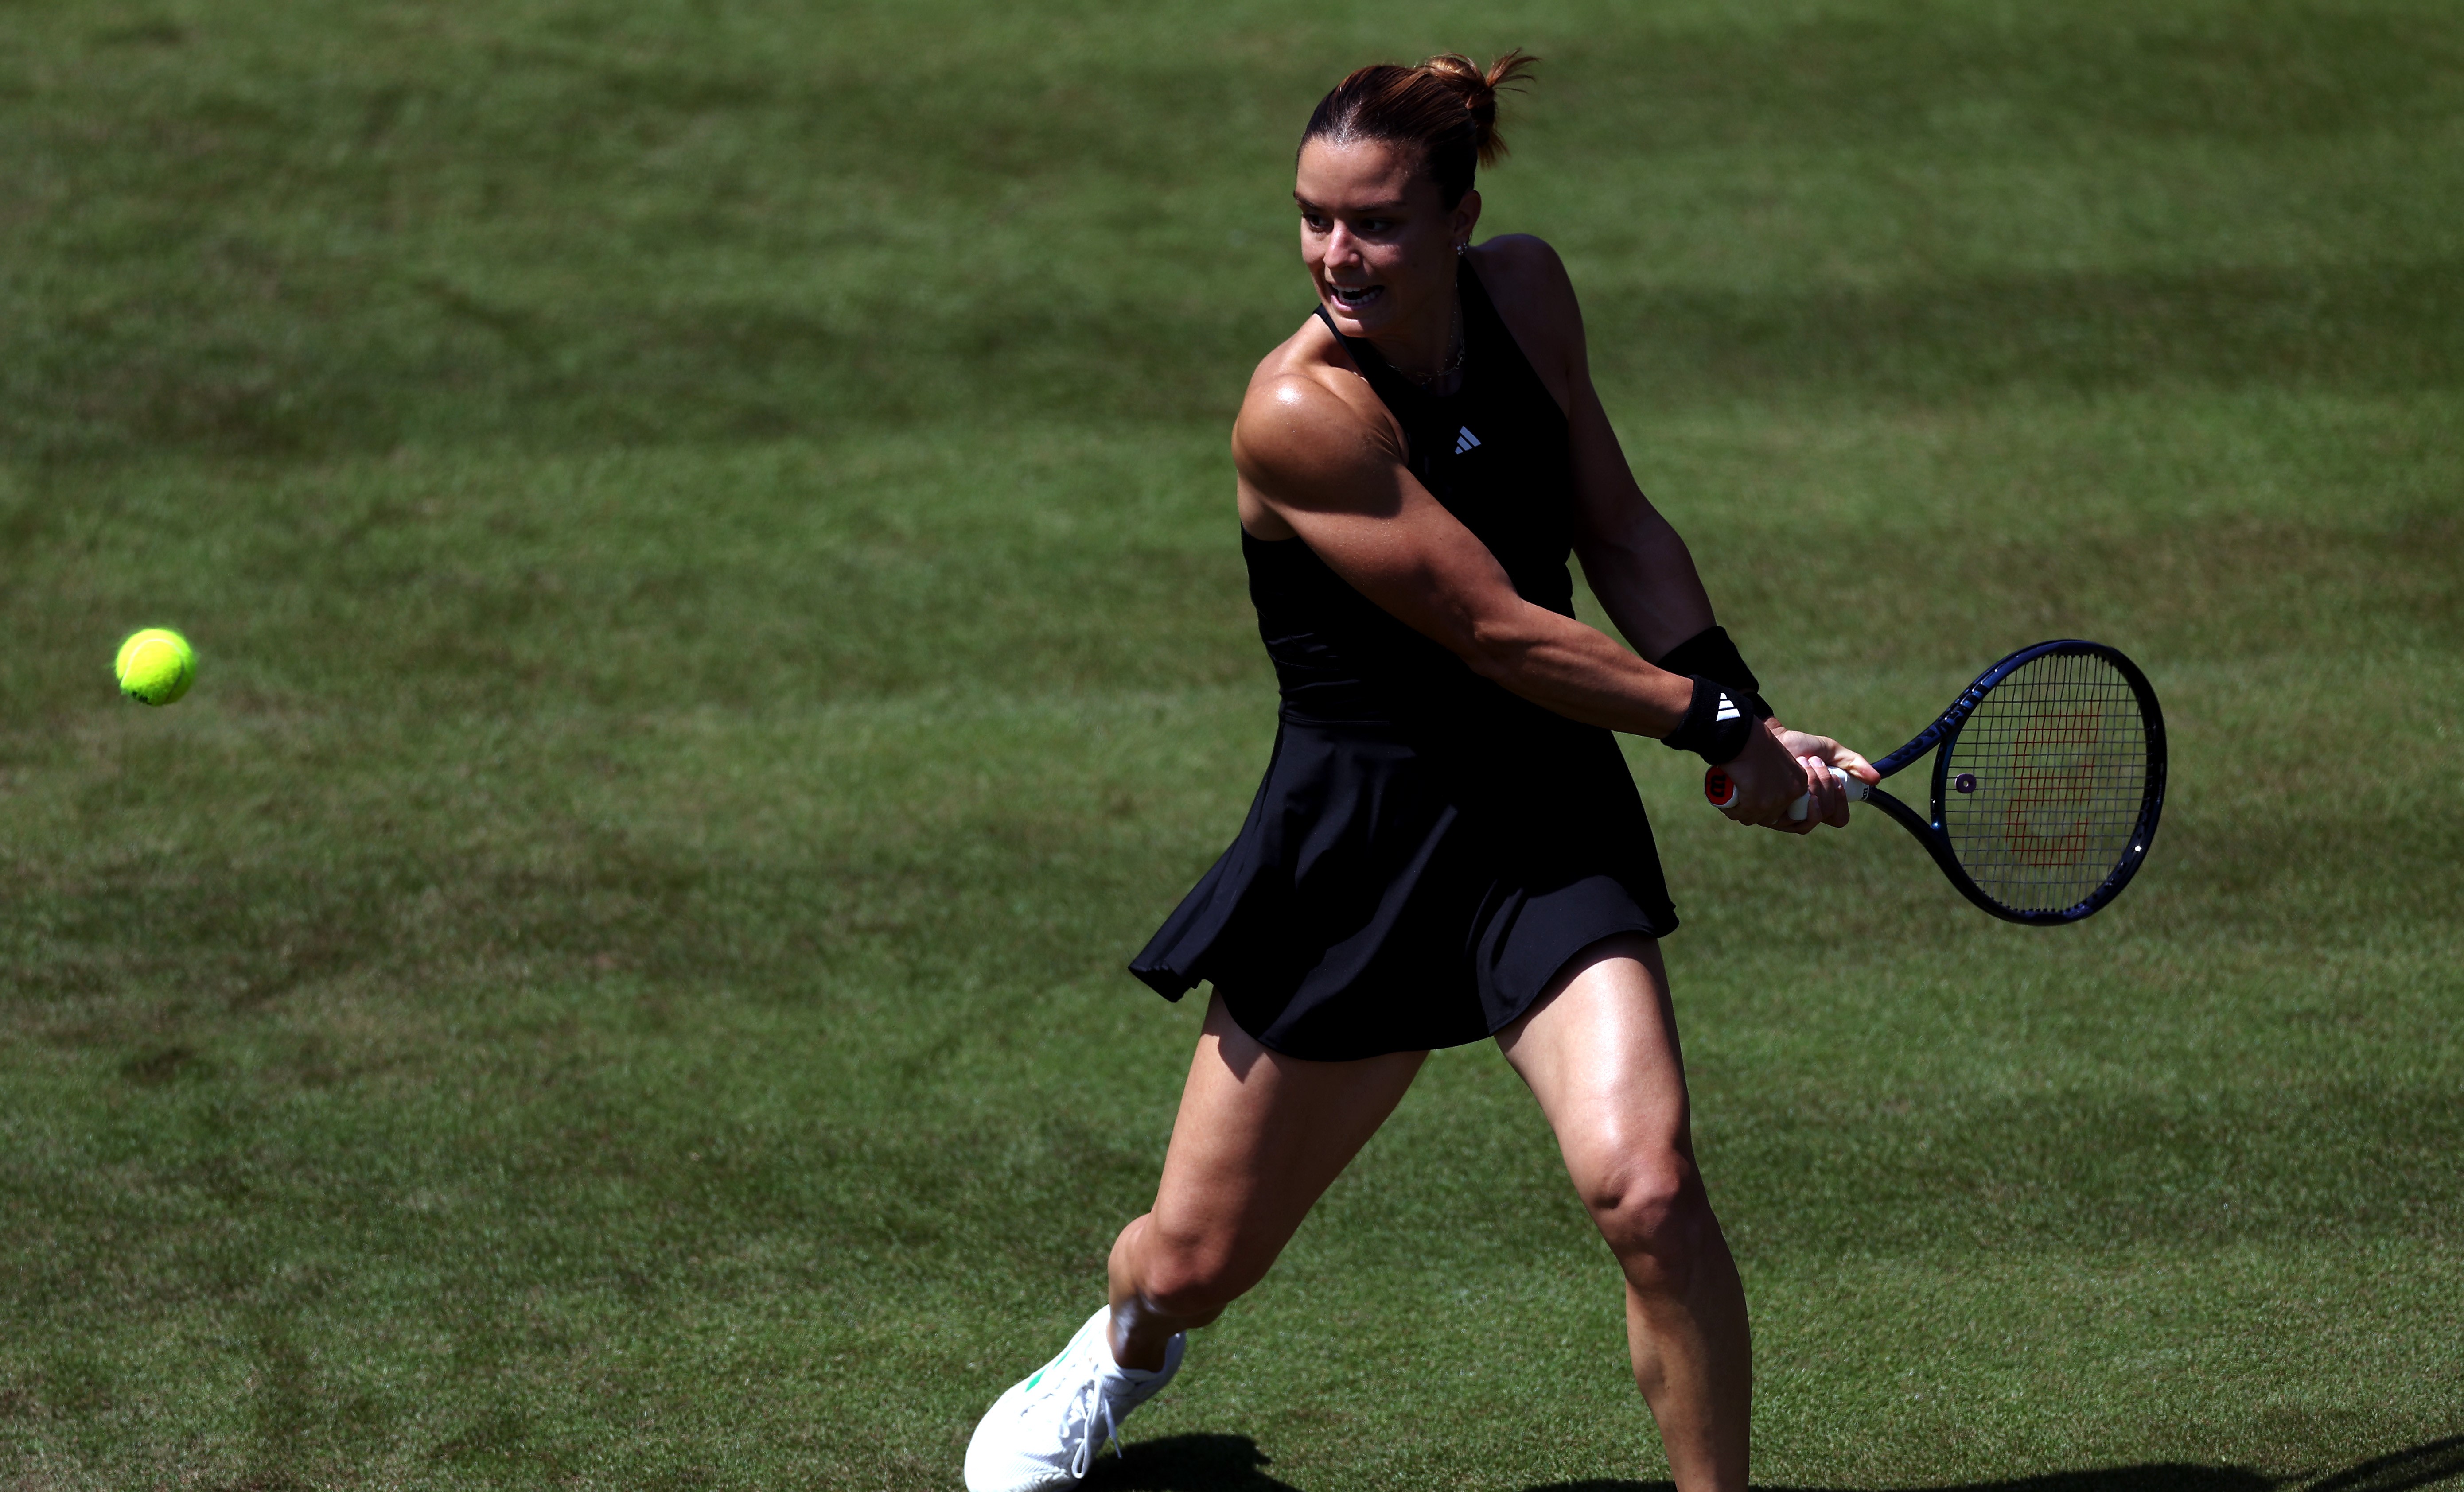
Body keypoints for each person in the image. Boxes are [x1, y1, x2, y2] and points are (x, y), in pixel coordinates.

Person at [964, 51, 1875, 1492]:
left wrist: (1745, 714)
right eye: (1313, 218)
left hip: (1541, 821)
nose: (1337, 254)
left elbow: (1617, 525)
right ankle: (1120, 1347)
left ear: (1460, 218)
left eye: (1377, 222)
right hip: (1359, 846)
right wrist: (1713, 732)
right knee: (1193, 1262)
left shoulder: (1530, 296)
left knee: (1647, 1193)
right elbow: (1496, 631)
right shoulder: (1300, 413)